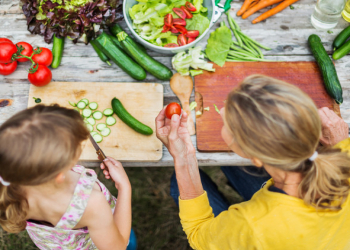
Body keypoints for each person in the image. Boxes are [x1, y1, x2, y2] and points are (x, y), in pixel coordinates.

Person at [156, 75, 350, 250]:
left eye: (229, 124)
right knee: (231, 169)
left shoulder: (253, 225)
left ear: (255, 158)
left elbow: (198, 234)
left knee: (176, 184)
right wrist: (341, 143)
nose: (222, 111)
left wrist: (183, 157)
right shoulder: (344, 156)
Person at [0, 105, 132, 250]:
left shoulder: (9, 181)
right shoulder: (92, 203)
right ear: (59, 175)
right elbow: (117, 247)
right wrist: (124, 187)